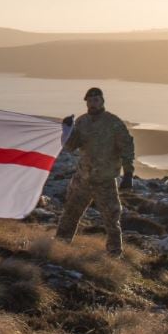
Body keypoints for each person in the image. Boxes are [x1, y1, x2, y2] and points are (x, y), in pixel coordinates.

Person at [56, 86, 135, 255]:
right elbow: (71, 147)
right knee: (70, 213)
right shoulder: (82, 121)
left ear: (102, 101)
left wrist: (128, 174)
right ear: (86, 102)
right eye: (90, 100)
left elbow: (127, 147)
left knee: (111, 219)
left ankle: (114, 253)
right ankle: (59, 246)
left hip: (105, 180)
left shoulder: (113, 122)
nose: (93, 103)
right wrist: (67, 130)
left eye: (96, 100)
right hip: (83, 178)